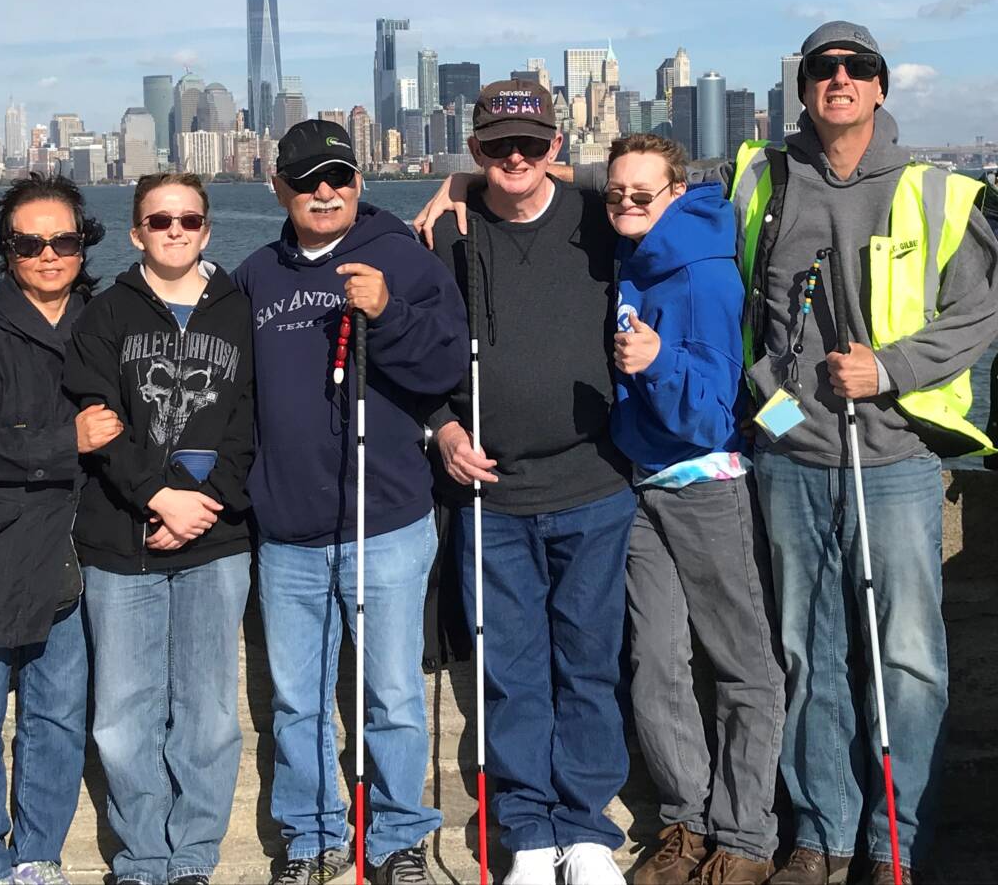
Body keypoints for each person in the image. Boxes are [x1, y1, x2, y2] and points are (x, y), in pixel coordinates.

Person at [568, 20, 998, 883]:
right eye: (823, 68)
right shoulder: (763, 175)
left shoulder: (939, 190)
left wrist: (891, 368)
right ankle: (822, 836)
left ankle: (895, 844)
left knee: (908, 663)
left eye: (857, 68)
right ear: (804, 87)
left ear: (879, 87)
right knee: (805, 653)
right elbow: (639, 192)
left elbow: (980, 312)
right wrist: (490, 178)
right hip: (788, 456)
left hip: (900, 458)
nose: (839, 79)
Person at [233, 119, 468, 885]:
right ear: (280, 189)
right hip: (288, 530)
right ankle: (313, 837)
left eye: (336, 177)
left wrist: (389, 311)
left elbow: (445, 366)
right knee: (297, 703)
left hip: (388, 522)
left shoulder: (401, 255)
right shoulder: (256, 275)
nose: (323, 192)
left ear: (359, 183)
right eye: (305, 182)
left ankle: (399, 835)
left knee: (395, 694)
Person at [424, 80, 635, 885]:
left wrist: (454, 181)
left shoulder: (599, 217)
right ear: (474, 150)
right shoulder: (446, 235)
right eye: (494, 147)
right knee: (509, 673)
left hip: (594, 487)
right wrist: (442, 429)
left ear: (558, 148)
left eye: (532, 145)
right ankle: (528, 833)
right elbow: (419, 354)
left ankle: (585, 829)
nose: (515, 159)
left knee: (589, 663)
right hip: (491, 498)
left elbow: (688, 199)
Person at [597, 134, 785, 885]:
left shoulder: (702, 275)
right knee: (656, 663)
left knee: (744, 665)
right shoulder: (632, 251)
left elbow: (712, 411)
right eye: (615, 194)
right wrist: (453, 193)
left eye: (642, 195)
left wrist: (657, 362)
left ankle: (745, 837)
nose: (625, 206)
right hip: (641, 483)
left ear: (676, 193)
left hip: (705, 482)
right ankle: (684, 822)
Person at [63, 173, 254, 885]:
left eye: (188, 219)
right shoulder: (106, 314)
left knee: (208, 712)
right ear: (137, 231)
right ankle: (143, 859)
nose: (175, 231)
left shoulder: (239, 309)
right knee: (123, 713)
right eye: (160, 220)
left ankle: (195, 857)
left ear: (205, 229)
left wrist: (200, 502)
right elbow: (101, 421)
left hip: (216, 540)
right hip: (121, 542)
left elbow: (249, 422)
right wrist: (158, 499)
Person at [0, 174, 118, 885]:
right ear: (7, 251)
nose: (48, 254)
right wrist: (67, 441)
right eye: (29, 243)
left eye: (62, 240)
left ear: (84, 243)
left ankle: (37, 856)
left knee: (57, 719)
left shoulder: (112, 320)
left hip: (84, 551)